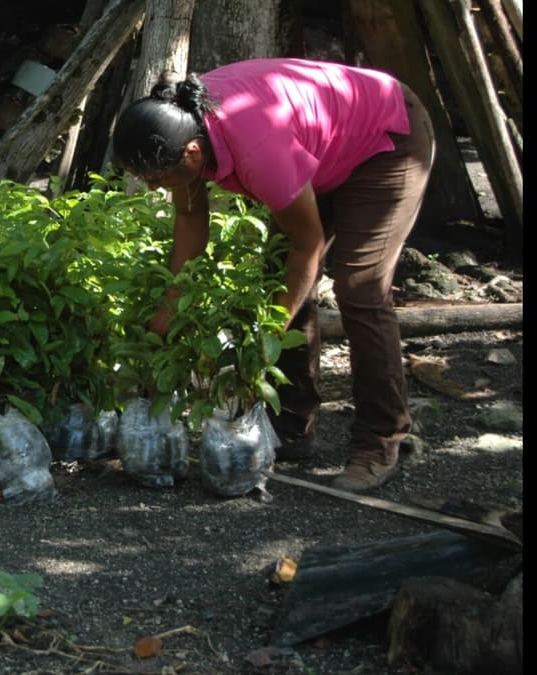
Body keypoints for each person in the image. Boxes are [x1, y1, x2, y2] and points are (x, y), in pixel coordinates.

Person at [110, 57, 435, 492]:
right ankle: (291, 426)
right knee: (276, 278)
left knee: (359, 288)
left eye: (157, 177)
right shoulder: (182, 124)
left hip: (387, 139)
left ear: (191, 154)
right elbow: (191, 224)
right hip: (320, 146)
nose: (153, 187)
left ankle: (380, 442)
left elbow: (308, 247)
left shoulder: (256, 150)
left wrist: (269, 334)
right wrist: (166, 312)